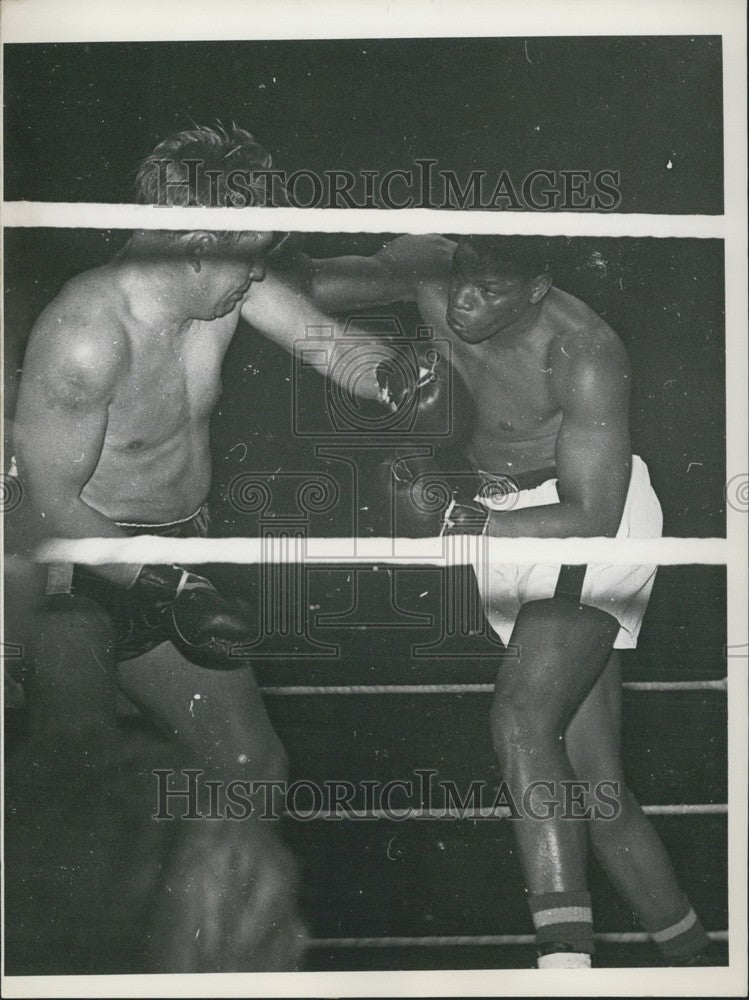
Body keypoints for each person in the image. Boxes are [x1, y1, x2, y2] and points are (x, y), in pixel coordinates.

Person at [8, 124, 385, 973]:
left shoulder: (227, 285)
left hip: (175, 557)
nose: (260, 270)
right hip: (72, 574)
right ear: (195, 244)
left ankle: (207, 965)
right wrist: (166, 580)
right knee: (81, 793)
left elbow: (331, 346)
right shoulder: (86, 334)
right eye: (250, 253)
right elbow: (41, 511)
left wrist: (393, 377)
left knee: (248, 764)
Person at [299, 233, 715, 968]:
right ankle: (696, 962)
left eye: (490, 290)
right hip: (494, 519)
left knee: (520, 717)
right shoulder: (432, 268)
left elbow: (593, 512)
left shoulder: (584, 349)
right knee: (595, 787)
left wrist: (457, 521)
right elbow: (307, 287)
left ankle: (563, 966)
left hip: (583, 524)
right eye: (462, 278)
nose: (463, 300)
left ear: (536, 287)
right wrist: (251, 246)